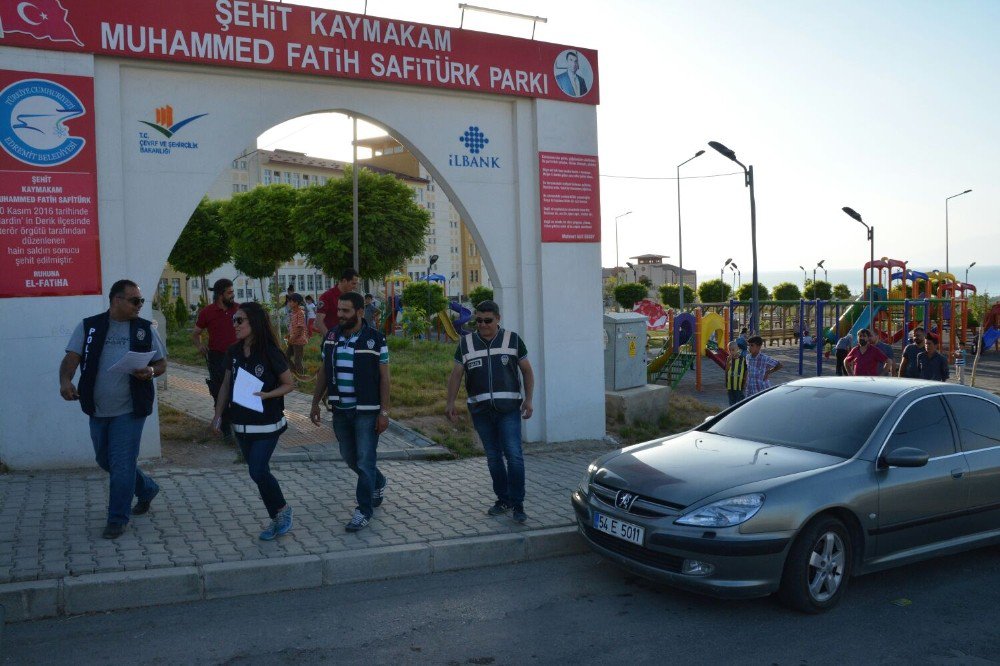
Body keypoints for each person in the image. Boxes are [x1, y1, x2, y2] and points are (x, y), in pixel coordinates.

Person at [58, 279, 167, 539]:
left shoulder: (144, 329)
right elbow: (71, 359)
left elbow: (161, 363)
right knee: (104, 460)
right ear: (116, 300)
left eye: (141, 300)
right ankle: (147, 488)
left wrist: (150, 371)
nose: (139, 305)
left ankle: (117, 518)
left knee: (121, 464)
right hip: (97, 408)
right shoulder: (90, 326)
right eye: (134, 300)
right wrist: (65, 381)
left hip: (130, 410)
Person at [212, 302, 296, 541]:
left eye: (240, 320)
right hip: (242, 424)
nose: (235, 325)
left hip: (268, 423)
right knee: (258, 472)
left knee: (257, 469)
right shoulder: (234, 352)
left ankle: (282, 511)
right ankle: (277, 516)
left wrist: (268, 395)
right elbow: (226, 385)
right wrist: (218, 415)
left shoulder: (270, 352)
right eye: (234, 321)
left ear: (254, 323)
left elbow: (289, 384)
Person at [446, 300, 535, 523]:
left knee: (514, 457)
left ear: (498, 319)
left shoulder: (512, 339)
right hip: (480, 411)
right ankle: (503, 499)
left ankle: (518, 503)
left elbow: (527, 371)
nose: (483, 325)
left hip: (508, 410)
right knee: (494, 458)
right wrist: (450, 403)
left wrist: (529, 400)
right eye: (479, 320)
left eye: (488, 320)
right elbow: (456, 375)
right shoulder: (466, 343)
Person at [310, 291, 390, 532]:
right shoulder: (332, 337)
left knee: (365, 461)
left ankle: (363, 511)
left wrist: (384, 412)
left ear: (358, 312)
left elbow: (385, 378)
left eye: (345, 311)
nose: (340, 315)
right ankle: (378, 480)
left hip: (367, 410)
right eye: (339, 311)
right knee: (349, 456)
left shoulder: (375, 339)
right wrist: (314, 402)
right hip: (340, 410)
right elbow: (324, 371)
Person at [191, 278, 239, 438]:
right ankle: (226, 428)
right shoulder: (207, 312)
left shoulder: (238, 310)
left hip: (238, 357)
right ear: (220, 295)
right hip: (217, 357)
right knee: (219, 392)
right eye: (229, 292)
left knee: (237, 392)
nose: (233, 295)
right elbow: (196, 333)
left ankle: (238, 424)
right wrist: (200, 346)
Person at [316, 268, 360, 336]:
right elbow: (319, 322)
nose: (355, 287)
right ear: (344, 281)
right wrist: (330, 339)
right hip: (334, 340)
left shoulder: (354, 297)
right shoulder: (327, 296)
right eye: (353, 283)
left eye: (356, 284)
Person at [286, 293, 307, 375]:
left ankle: (300, 377)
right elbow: (293, 327)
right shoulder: (293, 313)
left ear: (297, 302)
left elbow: (300, 328)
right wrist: (289, 336)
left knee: (297, 360)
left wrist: (292, 338)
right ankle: (295, 373)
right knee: (286, 357)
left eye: (291, 301)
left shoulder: (300, 313)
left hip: (298, 341)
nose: (289, 303)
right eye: (289, 301)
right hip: (292, 340)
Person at [724, 340, 747, 406]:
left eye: (733, 350)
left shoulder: (742, 359)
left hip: (739, 385)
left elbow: (746, 371)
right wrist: (725, 381)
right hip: (730, 385)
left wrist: (745, 383)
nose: (731, 352)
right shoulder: (728, 358)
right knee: (731, 402)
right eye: (729, 350)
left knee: (740, 401)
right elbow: (726, 370)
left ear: (737, 349)